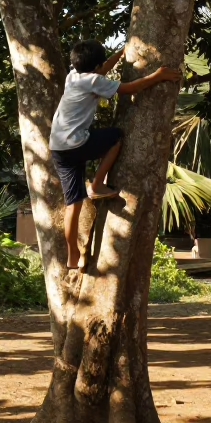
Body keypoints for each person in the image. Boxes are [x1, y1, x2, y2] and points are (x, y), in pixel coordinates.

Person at [50, 39, 181, 269]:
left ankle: (72, 256)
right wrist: (158, 76)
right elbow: (128, 89)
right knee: (116, 137)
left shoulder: (74, 76)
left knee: (73, 204)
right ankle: (97, 184)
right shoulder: (94, 80)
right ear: (98, 66)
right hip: (77, 143)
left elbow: (104, 67)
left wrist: (121, 52)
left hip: (59, 148)